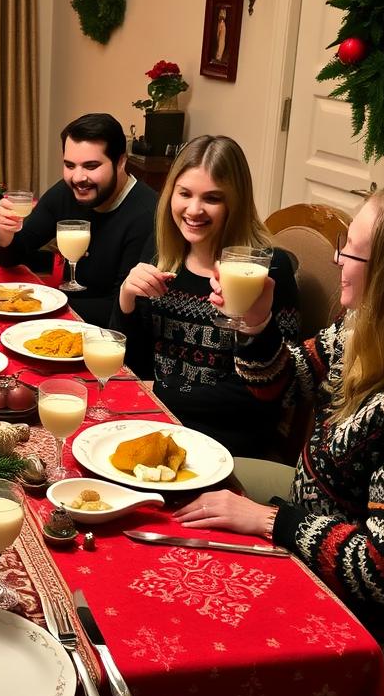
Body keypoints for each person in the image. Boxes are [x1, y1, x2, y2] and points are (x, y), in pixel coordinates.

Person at [176, 186, 384, 696]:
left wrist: (269, 521)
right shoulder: (363, 329)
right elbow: (282, 381)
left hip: (367, 635)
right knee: (173, 511)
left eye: (352, 250)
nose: (337, 258)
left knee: (196, 638)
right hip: (301, 523)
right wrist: (256, 327)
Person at [111, 135, 299, 458]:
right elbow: (130, 365)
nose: (194, 209)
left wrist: (159, 392)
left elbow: (270, 393)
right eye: (184, 194)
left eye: (212, 198)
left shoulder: (267, 270)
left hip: (227, 445)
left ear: (234, 203)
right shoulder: (160, 254)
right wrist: (126, 300)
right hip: (154, 424)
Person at [0, 113, 158, 327]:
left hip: (111, 336)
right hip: (63, 317)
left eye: (91, 166)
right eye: (70, 165)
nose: (78, 178)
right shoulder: (66, 192)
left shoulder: (145, 214)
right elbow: (12, 256)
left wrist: (44, 305)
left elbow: (123, 308)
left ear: (120, 163)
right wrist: (5, 232)